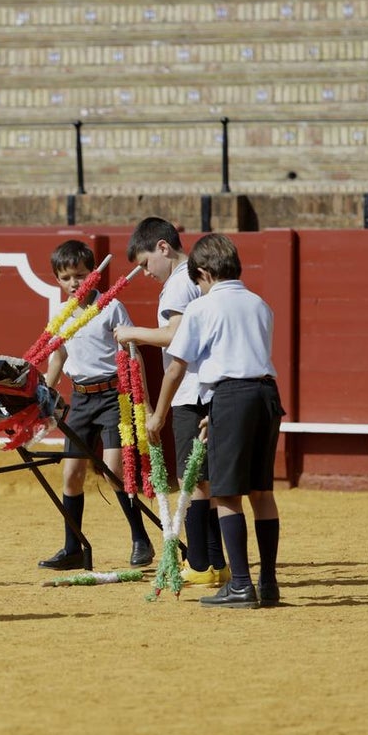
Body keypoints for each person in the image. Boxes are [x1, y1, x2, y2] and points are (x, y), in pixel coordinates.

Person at [146, 233, 283, 609]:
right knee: (261, 492)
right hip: (266, 395)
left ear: (203, 273)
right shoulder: (261, 305)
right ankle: (267, 582)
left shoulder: (202, 309)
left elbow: (176, 368)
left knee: (225, 493)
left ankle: (240, 584)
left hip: (232, 396)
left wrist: (158, 416)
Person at [114, 217, 229, 589]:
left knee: (191, 479)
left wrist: (132, 334)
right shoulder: (194, 280)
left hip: (190, 390)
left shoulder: (179, 283)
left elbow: (174, 336)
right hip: (207, 388)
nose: (145, 273)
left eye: (146, 263)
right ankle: (214, 562)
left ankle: (199, 562)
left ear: (163, 248)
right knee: (204, 479)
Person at [39, 239, 155, 571]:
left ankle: (140, 538)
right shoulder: (59, 313)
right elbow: (58, 355)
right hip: (80, 397)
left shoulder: (110, 307)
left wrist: (142, 400)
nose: (74, 283)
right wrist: (45, 394)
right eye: (65, 278)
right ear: (58, 280)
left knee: (116, 471)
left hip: (111, 397)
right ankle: (72, 546)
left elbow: (133, 354)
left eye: (79, 274)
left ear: (93, 274)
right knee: (72, 474)